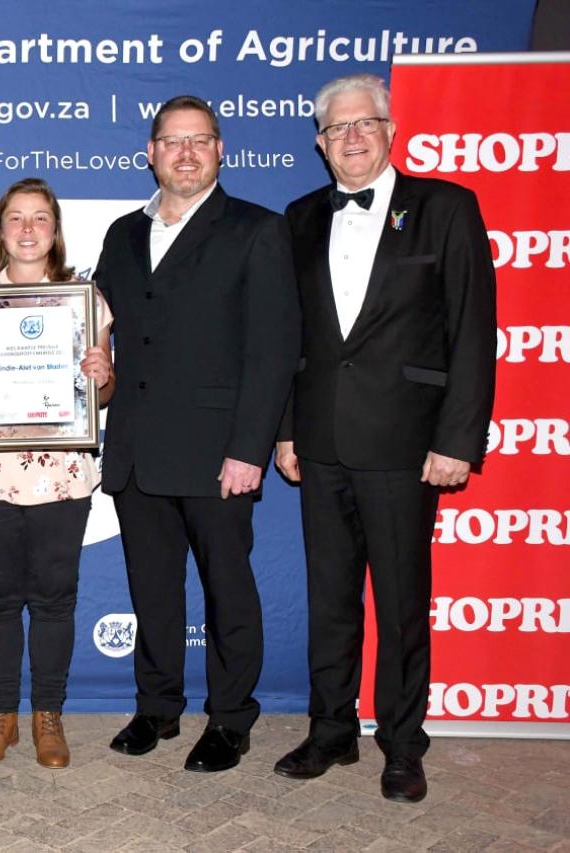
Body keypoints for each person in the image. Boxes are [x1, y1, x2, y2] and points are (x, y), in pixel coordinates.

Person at [273, 73, 496, 803]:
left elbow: (471, 331)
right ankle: (331, 729)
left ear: (391, 130)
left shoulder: (445, 208)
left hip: (407, 445)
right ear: (320, 142)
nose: (353, 137)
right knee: (330, 598)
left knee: (401, 602)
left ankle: (403, 744)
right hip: (321, 440)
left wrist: (458, 439)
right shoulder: (299, 216)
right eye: (338, 128)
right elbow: (288, 341)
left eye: (366, 123)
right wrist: (284, 432)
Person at [94, 95, 300, 773]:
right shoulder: (122, 233)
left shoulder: (256, 229)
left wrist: (250, 448)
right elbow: (95, 323)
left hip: (217, 452)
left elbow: (273, 350)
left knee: (226, 591)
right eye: (171, 141)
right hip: (136, 449)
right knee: (151, 588)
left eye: (199, 141)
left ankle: (231, 718)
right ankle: (157, 706)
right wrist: (93, 361)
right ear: (149, 153)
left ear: (220, 151)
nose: (185, 153)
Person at [0, 178, 114, 769]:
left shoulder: (87, 300)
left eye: (40, 218)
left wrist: (101, 373)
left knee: (56, 599)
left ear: (55, 231)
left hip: (61, 471)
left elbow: (103, 394)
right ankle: (1, 715)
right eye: (17, 218)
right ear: (1, 230)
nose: (29, 229)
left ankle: (49, 716)